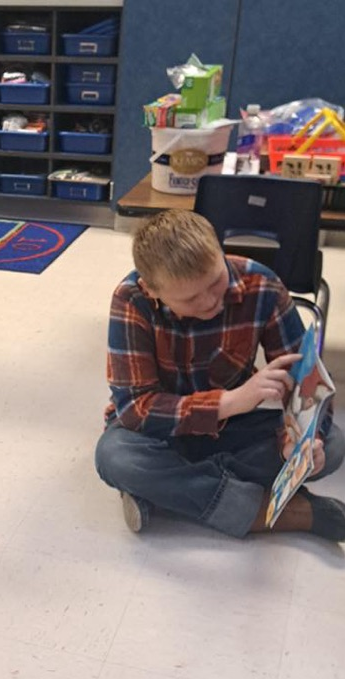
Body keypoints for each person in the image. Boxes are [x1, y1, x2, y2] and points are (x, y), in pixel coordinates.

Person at [95, 209, 345, 540]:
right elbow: (134, 409)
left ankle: (170, 493)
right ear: (151, 290)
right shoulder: (131, 299)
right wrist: (230, 401)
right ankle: (286, 513)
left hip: (231, 428)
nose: (211, 301)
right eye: (190, 298)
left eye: (216, 281)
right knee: (116, 456)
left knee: (332, 443)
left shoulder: (262, 285)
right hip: (161, 432)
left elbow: (306, 383)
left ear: (221, 252)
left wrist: (297, 442)